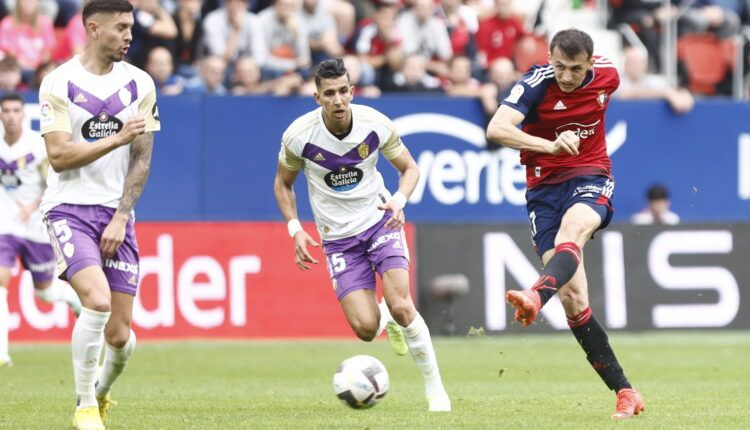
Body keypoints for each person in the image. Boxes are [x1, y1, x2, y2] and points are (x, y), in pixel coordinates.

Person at [274, 58, 451, 412]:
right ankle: (385, 318)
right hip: (338, 239)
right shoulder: (298, 136)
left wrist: (399, 201)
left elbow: (410, 169)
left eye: (343, 91)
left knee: (402, 304)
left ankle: (435, 391)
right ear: (317, 97)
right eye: (329, 94)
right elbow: (283, 184)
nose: (338, 100)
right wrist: (295, 228)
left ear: (352, 91)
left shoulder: (375, 125)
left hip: (379, 222)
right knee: (366, 329)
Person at [485, 28, 645, 420]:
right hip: (543, 190)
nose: (567, 76)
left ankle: (537, 297)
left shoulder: (610, 75)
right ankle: (626, 392)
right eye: (560, 66)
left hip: (590, 175)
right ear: (549, 58)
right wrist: (549, 146)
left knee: (573, 231)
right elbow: (496, 129)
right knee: (574, 298)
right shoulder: (537, 83)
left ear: (591, 63)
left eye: (575, 68)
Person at [38, 1, 160, 429]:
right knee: (97, 300)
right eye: (121, 27)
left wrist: (122, 215)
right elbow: (58, 155)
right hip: (68, 209)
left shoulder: (140, 83)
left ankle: (103, 392)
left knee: (120, 336)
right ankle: (84, 403)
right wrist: (117, 138)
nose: (130, 35)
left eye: (131, 27)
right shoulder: (59, 82)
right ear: (93, 28)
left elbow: (142, 159)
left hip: (116, 214)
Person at [0, 93, 82, 368]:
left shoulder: (37, 145)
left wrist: (33, 204)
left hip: (34, 226)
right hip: (5, 224)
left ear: (23, 114)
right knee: (0, 282)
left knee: (45, 292)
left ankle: (76, 301)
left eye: (15, 110)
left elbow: (54, 183)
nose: (11, 115)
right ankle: (2, 353)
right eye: (6, 111)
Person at [615, 46, 693, 114]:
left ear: (645, 64)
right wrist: (666, 93)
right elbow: (628, 94)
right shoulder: (616, 82)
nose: (635, 66)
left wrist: (685, 94)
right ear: (625, 64)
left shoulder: (653, 80)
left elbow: (675, 91)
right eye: (631, 62)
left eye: (639, 62)